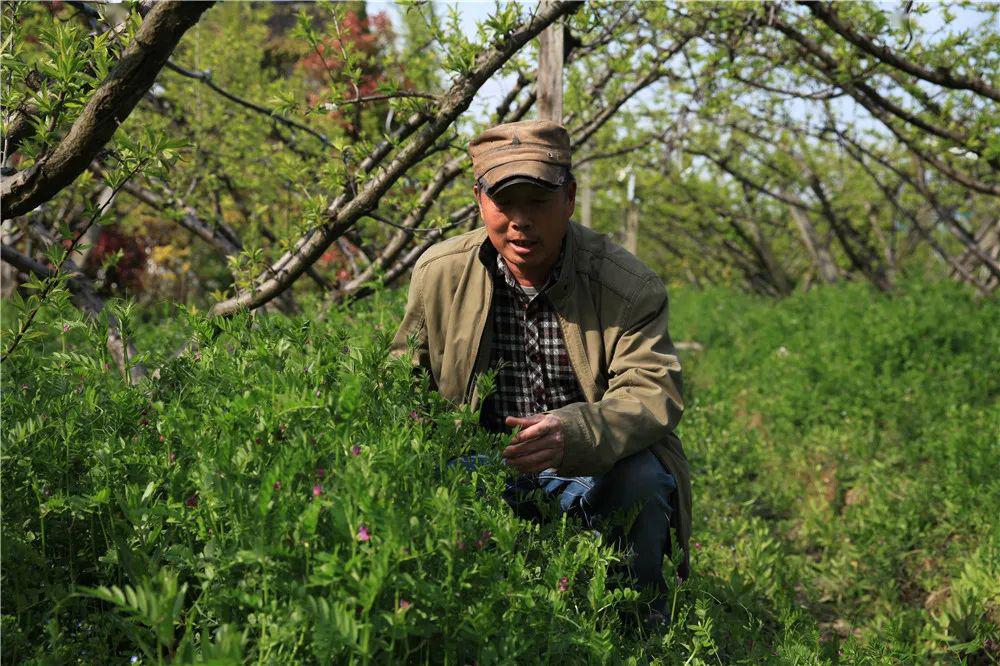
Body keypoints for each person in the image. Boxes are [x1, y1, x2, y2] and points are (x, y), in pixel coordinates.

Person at [389, 119, 691, 628]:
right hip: (478, 468)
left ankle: (637, 625)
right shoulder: (438, 274)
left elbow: (653, 391)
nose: (520, 221)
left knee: (643, 475)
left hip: (592, 470)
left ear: (569, 198)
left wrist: (574, 432)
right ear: (479, 200)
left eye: (538, 201)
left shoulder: (627, 285)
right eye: (505, 202)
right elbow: (403, 380)